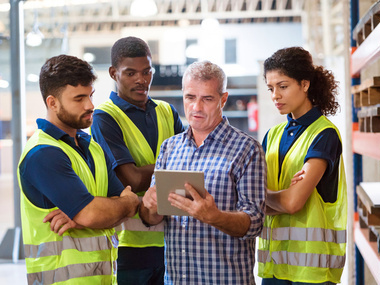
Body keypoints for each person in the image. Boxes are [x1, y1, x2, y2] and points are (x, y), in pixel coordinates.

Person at [140, 60, 266, 284]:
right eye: (190, 97)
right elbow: (153, 219)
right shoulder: (170, 148)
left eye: (207, 99)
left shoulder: (247, 149)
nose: (196, 107)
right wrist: (149, 207)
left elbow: (255, 222)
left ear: (223, 100)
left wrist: (215, 217)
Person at [18, 55, 140, 285]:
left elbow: (130, 204)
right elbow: (97, 212)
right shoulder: (43, 153)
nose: (90, 105)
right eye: (79, 98)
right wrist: (94, 212)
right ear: (52, 102)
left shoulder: (92, 148)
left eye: (91, 96)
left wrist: (86, 216)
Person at [91, 36, 185, 285]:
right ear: (114, 73)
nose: (141, 80)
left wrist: (169, 172)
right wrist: (173, 170)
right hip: (129, 247)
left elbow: (190, 167)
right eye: (130, 73)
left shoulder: (167, 111)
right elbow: (130, 179)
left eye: (146, 72)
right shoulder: (105, 118)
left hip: (172, 241)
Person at [258, 47, 347, 285]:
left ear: (304, 84)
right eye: (271, 88)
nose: (275, 95)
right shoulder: (272, 136)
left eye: (283, 86)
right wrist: (276, 197)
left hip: (311, 272)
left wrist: (264, 197)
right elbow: (253, 199)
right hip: (274, 266)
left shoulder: (324, 134)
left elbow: (292, 202)